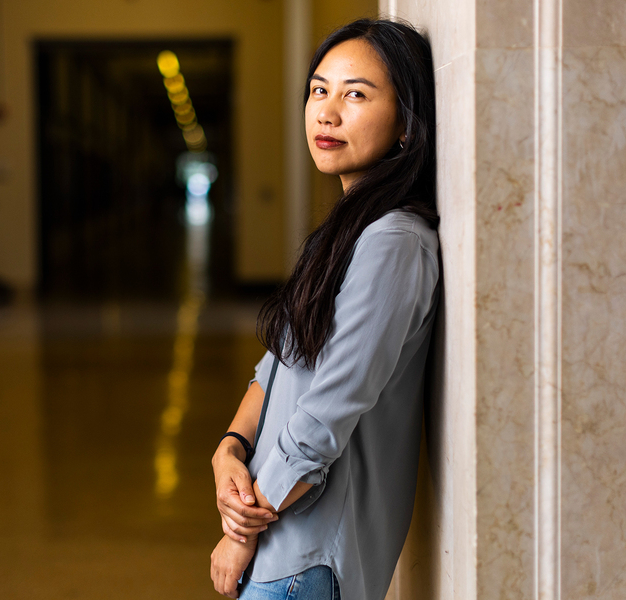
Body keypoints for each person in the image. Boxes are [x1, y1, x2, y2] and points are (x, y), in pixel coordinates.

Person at [210, 18, 439, 600]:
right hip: (282, 538)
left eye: (355, 94)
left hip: (306, 555)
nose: (327, 112)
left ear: (408, 125)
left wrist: (243, 528)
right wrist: (230, 447)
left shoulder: (394, 242)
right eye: (319, 89)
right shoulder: (344, 232)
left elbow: (326, 417)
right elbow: (278, 365)